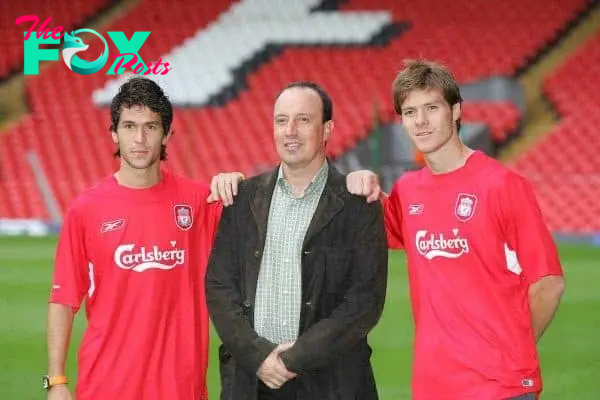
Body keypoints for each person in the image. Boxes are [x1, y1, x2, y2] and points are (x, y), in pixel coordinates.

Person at [344, 59, 565, 399]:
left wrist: (509, 352)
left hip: (499, 387)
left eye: (431, 108)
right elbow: (365, 225)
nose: (420, 121)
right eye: (409, 111)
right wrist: (360, 182)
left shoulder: (502, 185)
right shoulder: (408, 190)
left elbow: (548, 283)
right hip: (435, 386)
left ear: (456, 110)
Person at [205, 81, 388, 400]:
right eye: (281, 120)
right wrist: (259, 356)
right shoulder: (242, 198)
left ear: (326, 129)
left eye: (303, 119)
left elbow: (364, 302)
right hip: (251, 382)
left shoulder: (358, 203)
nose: (290, 130)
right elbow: (220, 287)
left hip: (332, 383)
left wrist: (292, 359)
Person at [45, 77, 224, 400]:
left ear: (167, 133)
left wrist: (235, 182)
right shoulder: (85, 210)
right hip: (105, 388)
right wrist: (56, 381)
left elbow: (261, 219)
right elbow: (63, 300)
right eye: (129, 126)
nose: (139, 138)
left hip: (180, 390)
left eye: (150, 127)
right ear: (114, 132)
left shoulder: (200, 202)